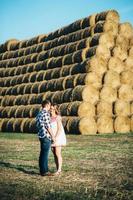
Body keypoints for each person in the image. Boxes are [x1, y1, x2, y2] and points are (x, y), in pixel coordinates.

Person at [36, 100, 55, 176]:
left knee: (42, 154)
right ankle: (45, 171)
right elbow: (48, 126)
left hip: (41, 135)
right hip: (46, 136)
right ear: (47, 105)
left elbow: (37, 125)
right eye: (50, 105)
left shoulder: (39, 113)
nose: (50, 107)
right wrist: (53, 136)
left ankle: (43, 170)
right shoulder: (46, 114)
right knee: (45, 154)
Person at [50, 103, 66, 175]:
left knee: (57, 153)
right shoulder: (49, 117)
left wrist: (55, 137)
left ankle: (59, 170)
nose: (51, 110)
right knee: (54, 153)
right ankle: (57, 169)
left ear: (55, 109)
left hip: (58, 137)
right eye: (50, 108)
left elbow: (59, 129)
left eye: (52, 109)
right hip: (51, 136)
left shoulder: (58, 117)